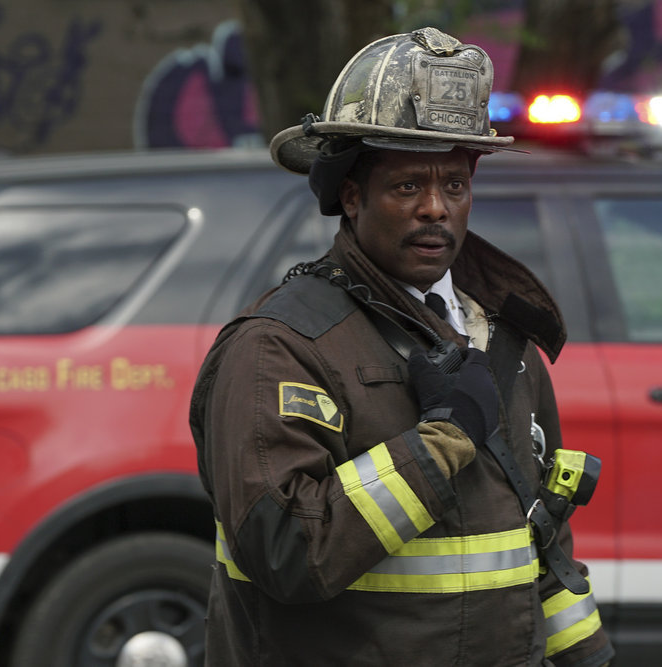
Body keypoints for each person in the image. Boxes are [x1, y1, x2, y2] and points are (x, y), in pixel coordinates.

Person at [189, 27, 614, 666]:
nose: (436, 209)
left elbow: (536, 543)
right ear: (352, 198)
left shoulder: (502, 339)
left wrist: (590, 657)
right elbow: (286, 552)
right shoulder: (279, 350)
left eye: (455, 185)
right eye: (408, 186)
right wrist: (437, 445)